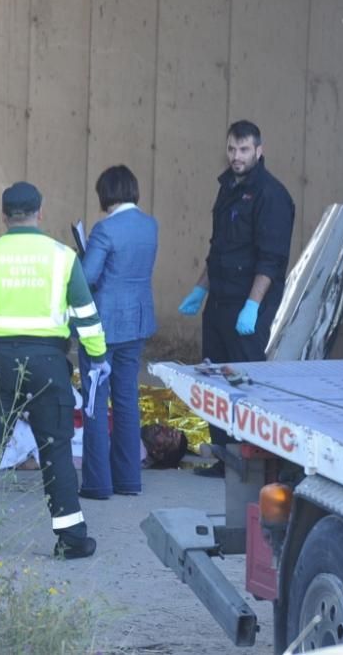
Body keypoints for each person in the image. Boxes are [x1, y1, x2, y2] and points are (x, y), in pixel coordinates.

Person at [0, 181, 109, 560]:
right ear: (41, 211)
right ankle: (71, 537)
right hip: (49, 362)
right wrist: (97, 355)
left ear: (3, 216)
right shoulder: (63, 257)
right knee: (55, 448)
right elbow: (86, 315)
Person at [178, 120, 295, 477]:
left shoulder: (272, 195)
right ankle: (224, 459)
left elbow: (271, 259)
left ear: (259, 151)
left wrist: (253, 305)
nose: (236, 156)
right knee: (214, 378)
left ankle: (251, 463)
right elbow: (220, 248)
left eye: (244, 150)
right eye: (231, 149)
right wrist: (201, 288)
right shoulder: (227, 187)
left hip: (249, 304)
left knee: (244, 382)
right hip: (220, 301)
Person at [78, 165, 158, 500]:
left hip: (103, 326)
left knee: (95, 401)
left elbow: (88, 276)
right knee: (126, 400)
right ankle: (128, 479)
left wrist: (79, 255)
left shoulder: (104, 230)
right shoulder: (150, 226)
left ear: (106, 194)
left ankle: (97, 483)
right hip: (137, 323)